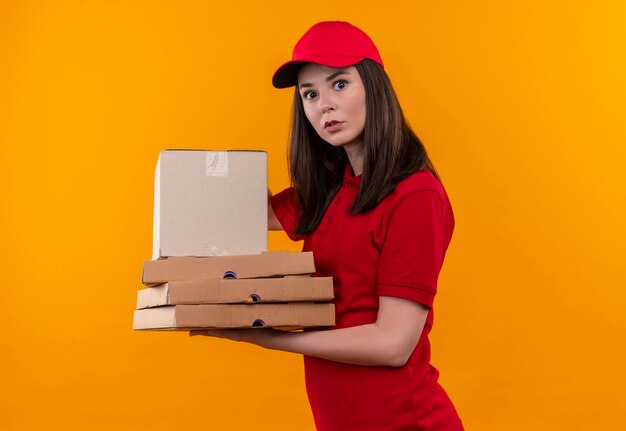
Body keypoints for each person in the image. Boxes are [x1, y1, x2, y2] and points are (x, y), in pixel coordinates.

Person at [191, 21, 464, 430]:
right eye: (310, 94)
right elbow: (244, 213)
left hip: (406, 422)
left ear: (374, 87)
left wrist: (266, 336)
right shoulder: (333, 190)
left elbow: (392, 343)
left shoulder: (415, 196)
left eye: (339, 85)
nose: (324, 105)